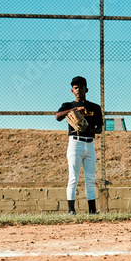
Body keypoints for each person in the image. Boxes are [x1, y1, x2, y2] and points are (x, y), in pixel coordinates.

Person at [55, 76, 103, 215]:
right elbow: (57, 117)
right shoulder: (68, 106)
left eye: (81, 87)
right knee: (73, 178)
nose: (78, 90)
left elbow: (99, 129)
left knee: (90, 178)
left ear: (86, 89)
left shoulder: (94, 107)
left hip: (89, 144)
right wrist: (74, 111)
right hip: (75, 143)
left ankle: (92, 212)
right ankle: (71, 211)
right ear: (72, 90)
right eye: (75, 88)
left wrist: (85, 127)